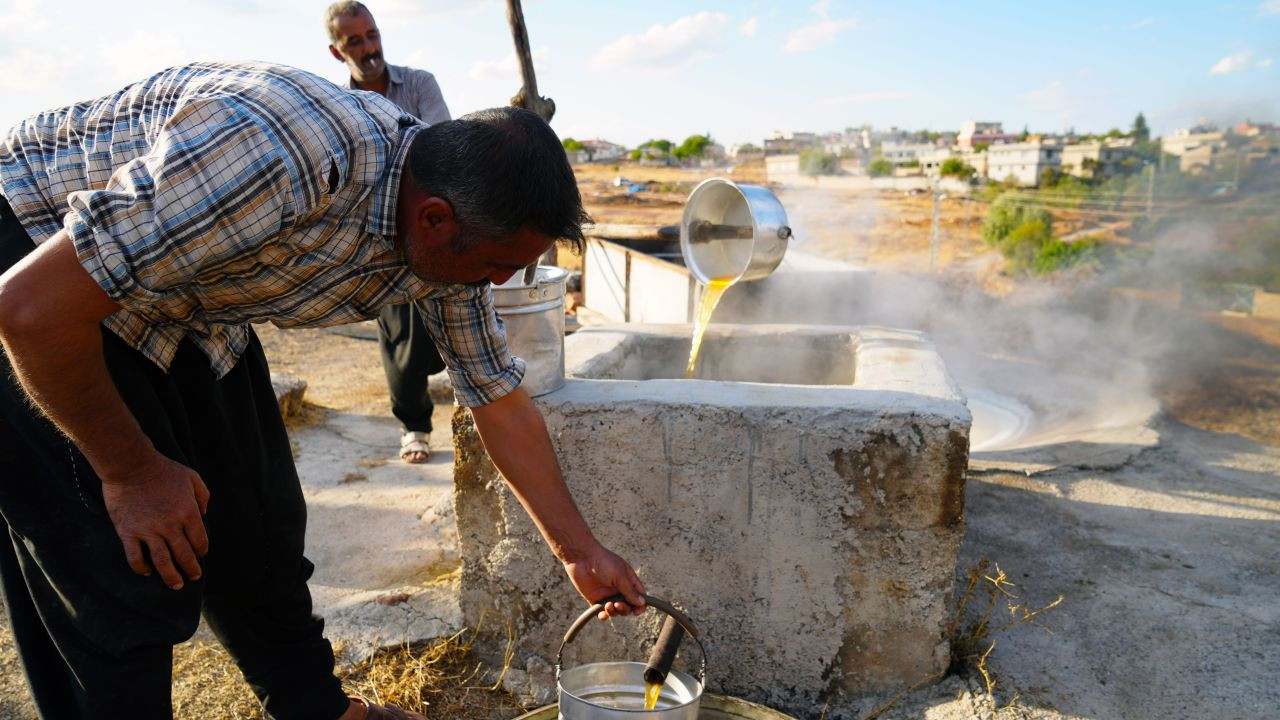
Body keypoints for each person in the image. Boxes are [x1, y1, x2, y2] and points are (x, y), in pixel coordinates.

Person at [0, 61, 645, 720]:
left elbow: (497, 398)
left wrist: (579, 551)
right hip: (35, 252)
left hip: (182, 293)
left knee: (258, 522)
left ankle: (321, 713)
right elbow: (26, 309)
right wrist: (132, 473)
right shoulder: (278, 154)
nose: (495, 283)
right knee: (119, 568)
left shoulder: (453, 238)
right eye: (496, 266)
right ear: (433, 219)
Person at [326, 0, 452, 464]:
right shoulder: (337, 102)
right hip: (376, 235)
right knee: (399, 334)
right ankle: (414, 426)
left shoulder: (419, 84)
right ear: (338, 52)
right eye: (354, 41)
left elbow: (441, 147)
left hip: (434, 225)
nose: (368, 48)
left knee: (454, 319)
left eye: (372, 35)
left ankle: (475, 405)